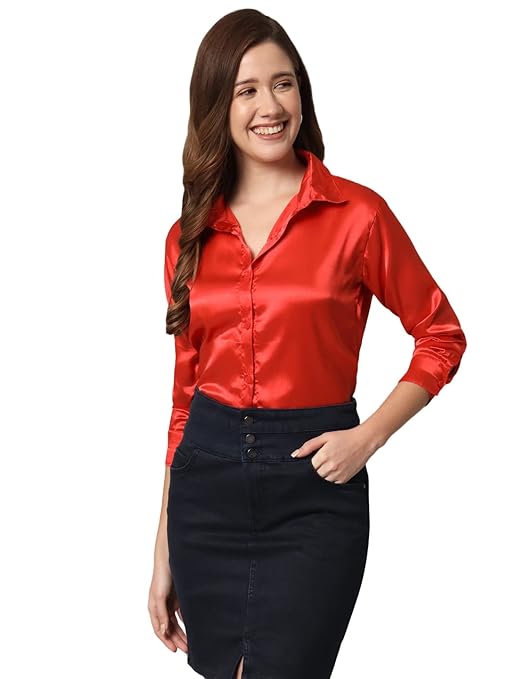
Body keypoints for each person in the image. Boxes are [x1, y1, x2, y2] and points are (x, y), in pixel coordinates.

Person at [148, 9, 467, 679]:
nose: (270, 106)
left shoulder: (358, 215)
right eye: (246, 90)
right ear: (216, 105)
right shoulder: (186, 237)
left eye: (283, 83)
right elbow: (184, 398)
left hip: (314, 491)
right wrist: (162, 548)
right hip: (206, 493)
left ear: (302, 93)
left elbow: (440, 334)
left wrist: (368, 436)